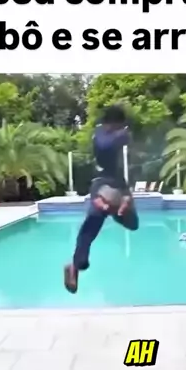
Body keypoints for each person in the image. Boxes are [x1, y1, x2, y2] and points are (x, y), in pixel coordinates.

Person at [64, 104, 139, 293]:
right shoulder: (100, 134)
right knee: (92, 223)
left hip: (119, 185)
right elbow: (104, 145)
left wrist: (126, 196)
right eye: (119, 125)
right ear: (112, 123)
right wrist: (121, 136)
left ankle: (113, 208)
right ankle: (75, 266)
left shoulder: (118, 138)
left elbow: (127, 165)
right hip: (101, 185)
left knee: (133, 223)